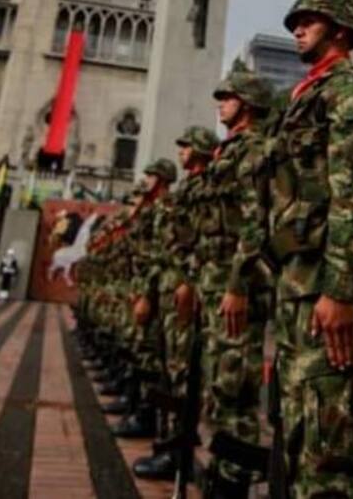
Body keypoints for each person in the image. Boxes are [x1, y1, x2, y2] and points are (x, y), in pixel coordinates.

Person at [222, 0, 353, 498]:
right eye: (296, 21)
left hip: (328, 285)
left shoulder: (352, 94)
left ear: (340, 30)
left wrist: (339, 289)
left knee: (331, 439)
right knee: (297, 426)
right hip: (296, 286)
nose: (297, 28)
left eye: (310, 21)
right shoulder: (302, 101)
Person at [199, 70, 276, 498]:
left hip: (239, 287)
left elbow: (254, 224)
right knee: (220, 383)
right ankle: (223, 474)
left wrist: (237, 285)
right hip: (222, 283)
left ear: (245, 103)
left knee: (237, 387)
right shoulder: (229, 152)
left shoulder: (253, 152)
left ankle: (235, 483)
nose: (220, 104)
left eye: (226, 98)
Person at [132, 126, 218, 481]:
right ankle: (167, 444)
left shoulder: (206, 189)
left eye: (187, 146)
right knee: (169, 372)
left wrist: (188, 282)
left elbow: (204, 241)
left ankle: (176, 453)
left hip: (185, 294)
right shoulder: (186, 192)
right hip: (168, 292)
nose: (183, 151)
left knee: (182, 376)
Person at [110, 158, 177, 441]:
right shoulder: (151, 210)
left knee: (153, 357)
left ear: (162, 179)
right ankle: (137, 406)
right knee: (141, 350)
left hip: (159, 289)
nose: (146, 180)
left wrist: (148, 294)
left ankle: (149, 419)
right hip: (141, 285)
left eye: (151, 176)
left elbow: (162, 253)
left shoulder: (168, 207)